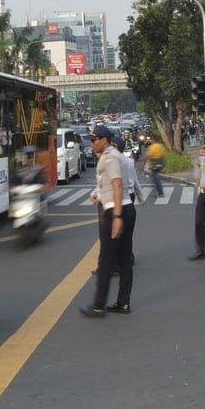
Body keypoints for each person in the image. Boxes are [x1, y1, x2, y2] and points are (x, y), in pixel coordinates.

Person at [80, 125, 136, 317]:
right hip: (126, 207)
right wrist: (100, 196)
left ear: (104, 140)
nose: (91, 143)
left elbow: (117, 186)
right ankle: (123, 303)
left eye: (94, 139)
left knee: (105, 260)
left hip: (116, 210)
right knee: (124, 259)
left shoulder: (110, 157)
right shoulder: (116, 155)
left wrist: (117, 217)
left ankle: (98, 305)